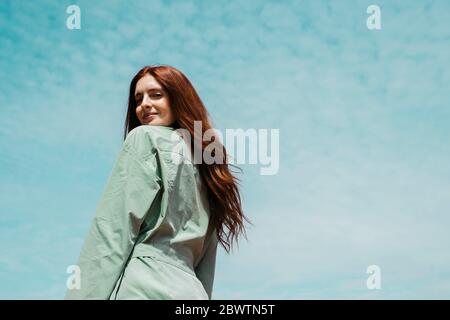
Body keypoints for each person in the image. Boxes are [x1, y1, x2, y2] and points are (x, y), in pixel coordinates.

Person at [65, 65, 251, 300]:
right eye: (138, 98)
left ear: (178, 98)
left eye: (156, 94)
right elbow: (206, 262)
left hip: (142, 286)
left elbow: (111, 231)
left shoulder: (143, 139)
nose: (144, 104)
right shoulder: (211, 170)